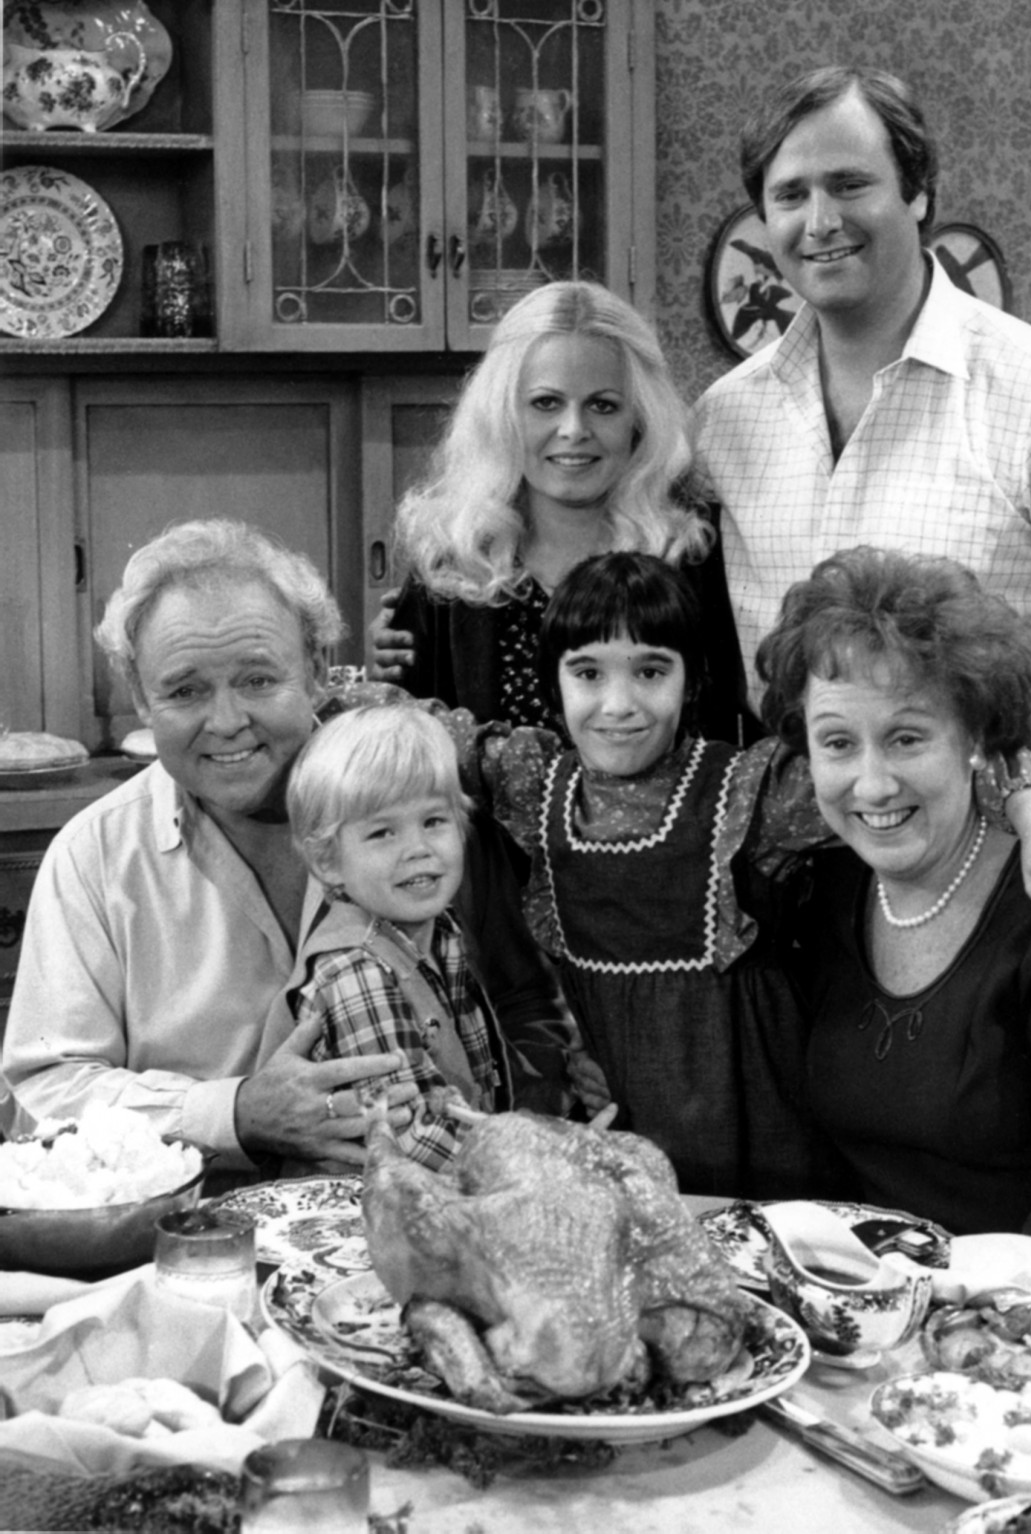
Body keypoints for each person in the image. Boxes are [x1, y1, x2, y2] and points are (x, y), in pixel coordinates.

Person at [393, 552, 1031, 1200]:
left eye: (650, 671)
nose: (618, 704)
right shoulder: (530, 782)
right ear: (552, 682)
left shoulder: (748, 793)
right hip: (617, 1134)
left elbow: (957, 765)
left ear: (693, 680)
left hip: (763, 1143)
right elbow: (407, 725)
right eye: (588, 673)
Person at [694, 63, 1031, 915]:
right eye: (791, 194)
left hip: (993, 864)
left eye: (850, 184)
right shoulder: (725, 421)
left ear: (918, 193)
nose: (821, 221)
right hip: (785, 896)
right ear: (763, 219)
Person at [0, 521, 575, 1184]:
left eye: (257, 679)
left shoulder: (424, 812)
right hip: (199, 1224)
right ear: (140, 698)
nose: (226, 722)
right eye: (185, 690)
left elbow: (528, 1012)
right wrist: (235, 1114)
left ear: (317, 670)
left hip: (448, 1200)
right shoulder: (94, 857)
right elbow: (42, 1095)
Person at [756, 546, 1031, 1270]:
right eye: (838, 743)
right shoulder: (822, 893)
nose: (872, 784)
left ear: (975, 737)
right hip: (877, 1300)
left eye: (907, 738)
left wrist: (956, 1317)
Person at [369, 279, 747, 745]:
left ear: (639, 418)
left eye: (603, 406)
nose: (573, 429)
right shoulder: (452, 564)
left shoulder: (695, 553)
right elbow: (410, 752)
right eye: (546, 403)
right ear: (503, 414)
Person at [284, 705, 512, 1171]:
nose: (418, 849)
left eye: (434, 821)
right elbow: (408, 1134)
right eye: (383, 832)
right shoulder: (356, 970)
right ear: (327, 861)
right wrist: (531, 1168)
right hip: (371, 1202)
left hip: (450, 1188)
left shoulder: (440, 932)